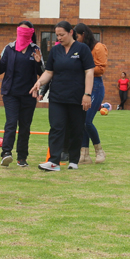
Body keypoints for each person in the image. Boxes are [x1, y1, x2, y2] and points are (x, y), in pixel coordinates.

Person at [30, 21, 94, 172]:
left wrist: (87, 94)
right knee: (56, 127)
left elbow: (89, 72)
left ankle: (73, 160)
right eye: (57, 35)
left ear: (71, 32)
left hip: (77, 97)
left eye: (62, 34)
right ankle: (54, 162)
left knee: (76, 129)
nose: (59, 38)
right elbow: (49, 72)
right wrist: (39, 83)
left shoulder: (82, 49)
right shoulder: (55, 50)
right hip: (57, 97)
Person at [0, 21, 43, 167]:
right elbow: (0, 70)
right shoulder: (9, 48)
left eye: (26, 31)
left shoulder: (35, 49)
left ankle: (22, 157)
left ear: (31, 33)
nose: (22, 34)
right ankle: (6, 153)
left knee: (25, 126)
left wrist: (38, 63)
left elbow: (42, 73)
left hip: (29, 95)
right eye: (20, 31)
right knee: (11, 123)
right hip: (11, 94)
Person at [73, 23, 107, 164]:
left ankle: (99, 151)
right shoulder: (78, 48)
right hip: (83, 86)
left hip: (96, 85)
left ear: (84, 34)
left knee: (87, 121)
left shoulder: (98, 47)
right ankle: (84, 154)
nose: (76, 39)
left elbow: (101, 68)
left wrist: (85, 67)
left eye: (77, 36)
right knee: (82, 121)